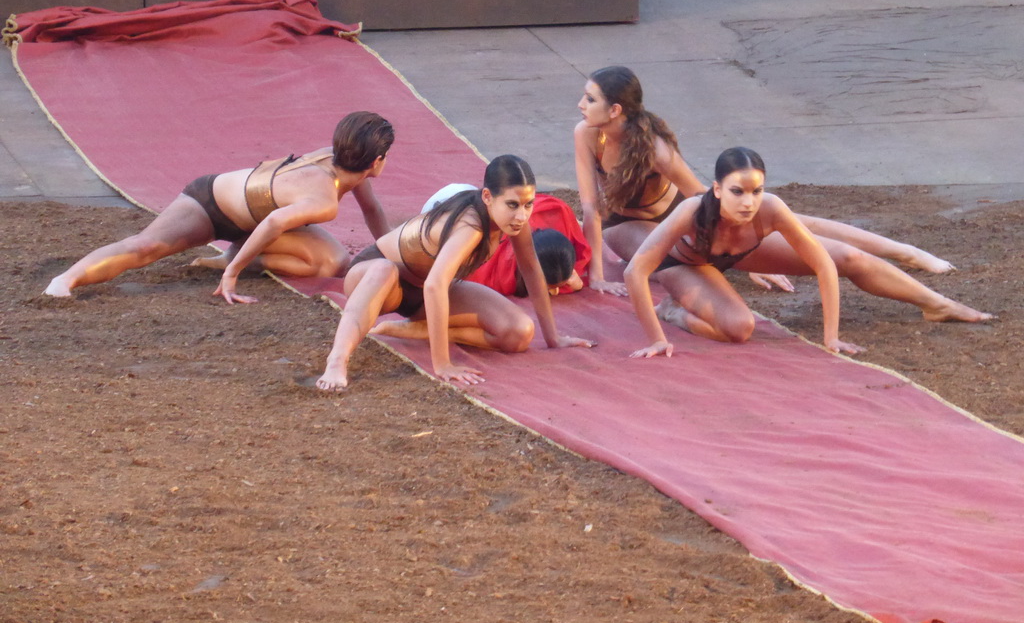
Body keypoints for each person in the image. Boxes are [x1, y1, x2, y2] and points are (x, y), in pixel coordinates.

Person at [574, 65, 956, 297]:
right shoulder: (586, 133)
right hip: (629, 225)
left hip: (682, 209)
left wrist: (747, 254)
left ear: (616, 109)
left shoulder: (656, 151)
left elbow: (701, 196)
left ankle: (904, 252)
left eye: (589, 99)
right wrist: (596, 276)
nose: (581, 105)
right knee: (669, 266)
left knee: (793, 222)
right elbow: (591, 206)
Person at [626, 147, 991, 359]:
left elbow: (822, 263)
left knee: (849, 257)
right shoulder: (690, 211)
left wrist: (830, 337)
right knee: (738, 328)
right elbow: (635, 272)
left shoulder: (770, 207)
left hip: (737, 253)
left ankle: (936, 304)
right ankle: (674, 311)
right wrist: (658, 337)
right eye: (738, 192)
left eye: (756, 191)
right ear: (717, 189)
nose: (749, 202)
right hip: (685, 264)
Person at [44, 111, 394, 302]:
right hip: (210, 205)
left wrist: (394, 255)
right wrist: (233, 274)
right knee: (146, 247)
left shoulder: (343, 165)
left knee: (333, 262)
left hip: (253, 221)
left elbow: (372, 211)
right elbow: (273, 223)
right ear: (377, 161)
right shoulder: (323, 199)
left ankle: (230, 256)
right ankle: (66, 279)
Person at [316, 155, 594, 391]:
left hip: (425, 292)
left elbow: (531, 268)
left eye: (528, 204)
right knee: (384, 270)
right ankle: (337, 361)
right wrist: (443, 364)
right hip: (375, 278)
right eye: (512, 205)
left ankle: (414, 330)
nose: (521, 215)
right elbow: (435, 285)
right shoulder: (470, 224)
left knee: (519, 333)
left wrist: (553, 337)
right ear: (487, 197)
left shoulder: (517, 221)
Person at [422, 184, 590, 297]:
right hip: (439, 215)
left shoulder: (558, 214)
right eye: (552, 288)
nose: (554, 292)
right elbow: (437, 284)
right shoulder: (486, 269)